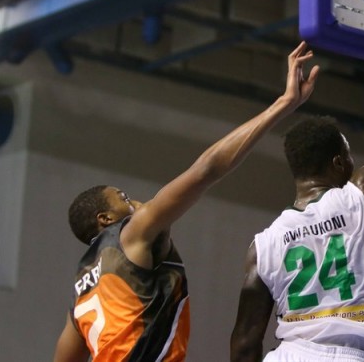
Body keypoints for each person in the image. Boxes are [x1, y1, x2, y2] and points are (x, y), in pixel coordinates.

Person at [52, 41, 320, 362]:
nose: (136, 201)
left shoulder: (81, 295)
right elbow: (206, 170)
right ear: (105, 219)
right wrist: (283, 104)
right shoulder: (133, 233)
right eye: (123, 198)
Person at [231, 65, 364, 362]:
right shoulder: (361, 195)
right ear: (339, 163)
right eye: (349, 155)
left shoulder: (262, 247)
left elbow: (245, 344)